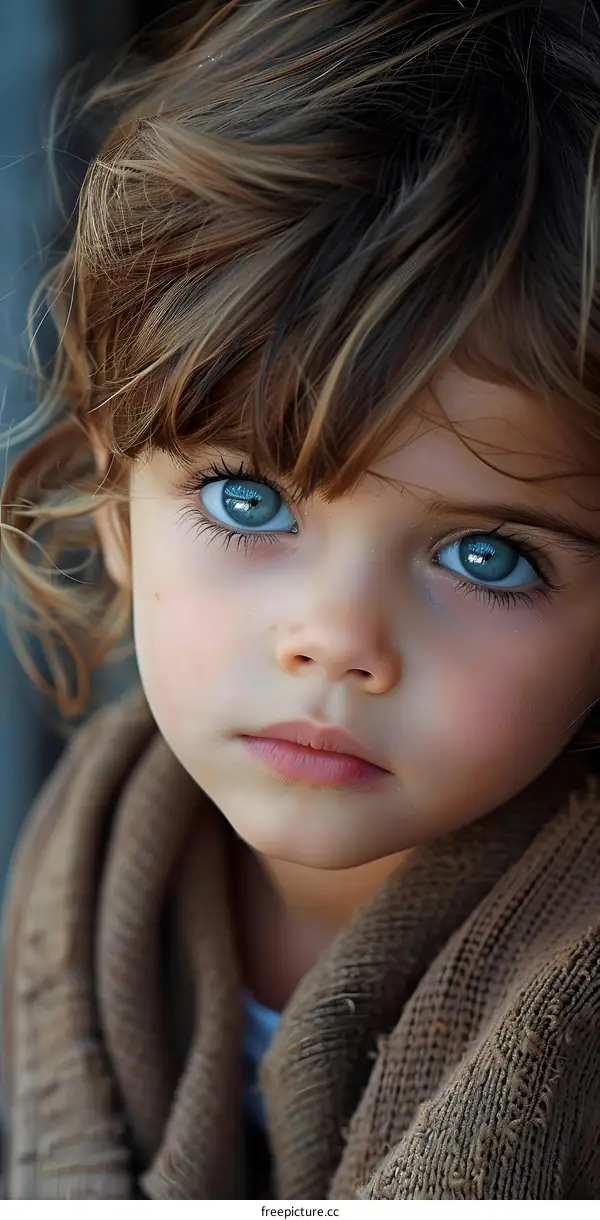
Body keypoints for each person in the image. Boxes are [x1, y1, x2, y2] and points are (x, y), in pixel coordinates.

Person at [1, 0, 600, 1200]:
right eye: (249, 502)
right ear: (116, 509)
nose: (334, 639)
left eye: (488, 557)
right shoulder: (87, 862)